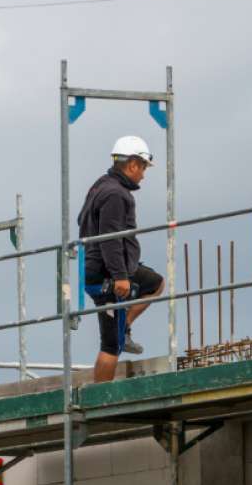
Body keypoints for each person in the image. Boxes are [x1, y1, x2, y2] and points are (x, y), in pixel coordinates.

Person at [78, 136, 165, 383]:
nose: (144, 175)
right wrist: (120, 277)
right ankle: (100, 398)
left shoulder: (100, 186)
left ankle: (123, 326)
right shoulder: (116, 194)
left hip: (101, 267)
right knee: (110, 346)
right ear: (133, 164)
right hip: (107, 275)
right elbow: (110, 238)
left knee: (155, 284)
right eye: (144, 168)